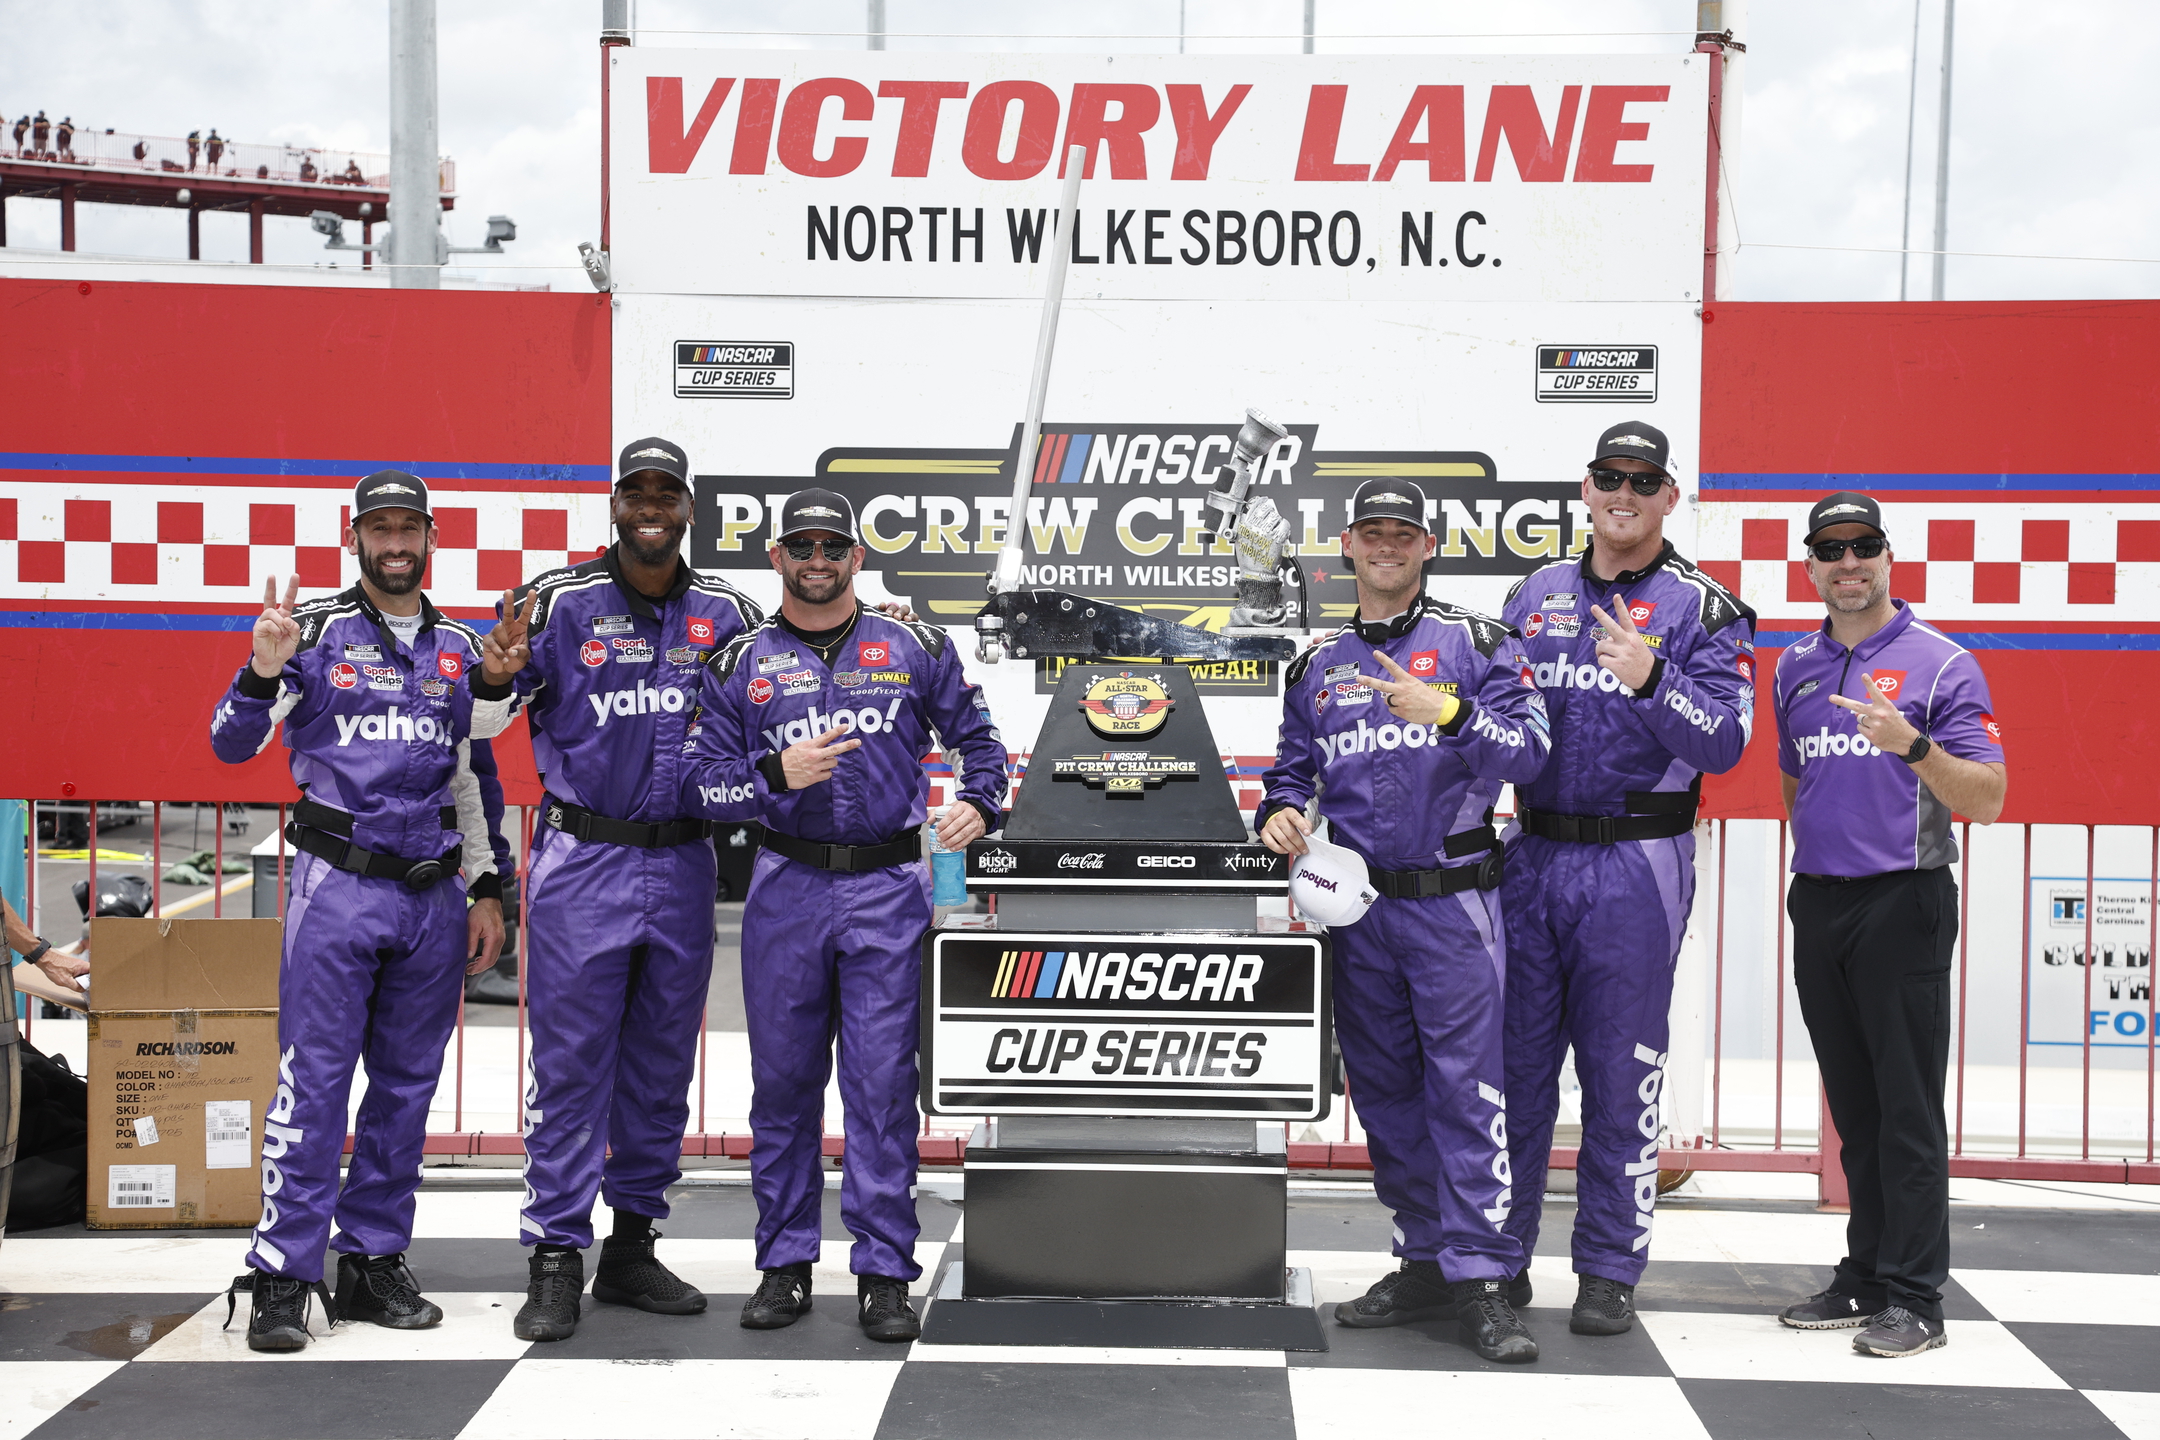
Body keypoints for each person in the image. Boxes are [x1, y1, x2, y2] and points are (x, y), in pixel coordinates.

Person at [678, 488, 1008, 1343]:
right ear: (777, 558)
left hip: (889, 891)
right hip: (786, 887)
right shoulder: (740, 660)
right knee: (783, 1088)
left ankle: (884, 1271)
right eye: (802, 546)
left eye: (833, 546)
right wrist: (772, 775)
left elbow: (981, 743)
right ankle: (783, 1266)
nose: (817, 560)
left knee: (879, 1088)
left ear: (857, 558)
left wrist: (981, 803)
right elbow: (697, 782)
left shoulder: (913, 643)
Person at [207, 470, 511, 1352]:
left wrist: (486, 886)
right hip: (338, 887)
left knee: (407, 1093)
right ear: (355, 540)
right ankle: (280, 1275)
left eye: (408, 527)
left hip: (433, 897)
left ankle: (372, 1260)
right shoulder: (312, 634)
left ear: (430, 537)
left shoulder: (459, 645)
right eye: (378, 528)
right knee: (313, 1087)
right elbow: (230, 744)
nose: (394, 543)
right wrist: (262, 669)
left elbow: (472, 774)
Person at [472, 437, 764, 1342]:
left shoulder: (732, 612)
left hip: (683, 865)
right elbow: (479, 726)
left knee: (658, 1071)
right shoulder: (555, 604)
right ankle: (555, 1255)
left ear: (687, 506)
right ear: (615, 504)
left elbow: (785, 700)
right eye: (634, 490)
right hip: (583, 862)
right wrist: (493, 677)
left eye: (665, 492)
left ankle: (631, 1247)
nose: (650, 506)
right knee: (568, 1068)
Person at [1258, 479, 1552, 1364]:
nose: (1387, 547)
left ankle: (1485, 1280)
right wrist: (1277, 811)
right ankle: (1423, 1259)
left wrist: (1453, 712)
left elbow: (1533, 752)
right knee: (1384, 1098)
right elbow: (1291, 769)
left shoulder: (1479, 642)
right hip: (1363, 914)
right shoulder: (1317, 664)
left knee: (1470, 1093)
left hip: (1457, 902)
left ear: (1428, 546)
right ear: (1347, 546)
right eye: (1372, 533)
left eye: (1404, 534)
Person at [1497, 422, 1755, 1337]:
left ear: (1669, 499)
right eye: (1610, 476)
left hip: (1637, 863)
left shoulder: (1705, 608)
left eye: (1644, 481)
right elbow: (1495, 719)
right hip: (1530, 858)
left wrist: (1653, 681)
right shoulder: (1534, 593)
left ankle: (1608, 1268)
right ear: (1586, 487)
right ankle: (1497, 1264)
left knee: (1620, 1073)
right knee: (1514, 1072)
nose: (1625, 493)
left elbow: (1726, 742)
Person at [1772, 491, 2005, 1358]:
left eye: (1863, 545)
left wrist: (1913, 747)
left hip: (1903, 899)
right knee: (1856, 1104)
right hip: (1820, 899)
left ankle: (1917, 1297)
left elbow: (1988, 796)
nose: (1848, 562)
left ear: (1887, 556)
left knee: (1906, 1108)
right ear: (1811, 566)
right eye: (1831, 549)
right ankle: (1865, 1275)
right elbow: (1797, 784)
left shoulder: (1944, 665)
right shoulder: (1793, 664)